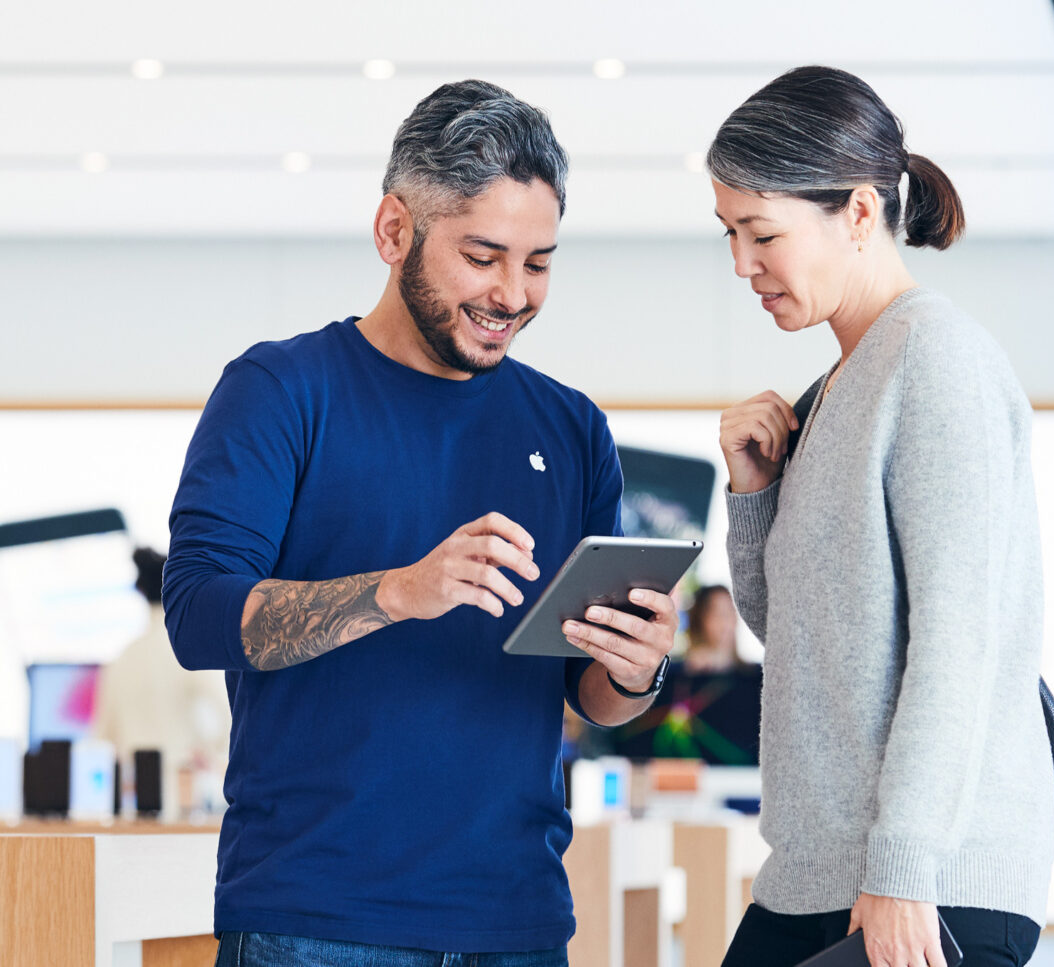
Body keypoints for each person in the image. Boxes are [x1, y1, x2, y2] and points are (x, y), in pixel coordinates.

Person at [164, 80, 676, 966]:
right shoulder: (281, 392)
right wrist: (399, 591)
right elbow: (200, 614)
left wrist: (635, 671)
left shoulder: (572, 428)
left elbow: (585, 694)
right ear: (394, 231)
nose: (512, 294)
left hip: (516, 919)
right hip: (314, 918)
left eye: (539, 261)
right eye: (484, 255)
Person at [708, 66, 1052, 967]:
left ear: (860, 213)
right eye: (730, 233)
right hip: (815, 877)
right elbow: (802, 639)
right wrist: (753, 497)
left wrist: (904, 869)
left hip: (924, 881)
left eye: (762, 232)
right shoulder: (831, 390)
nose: (742, 264)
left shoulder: (935, 359)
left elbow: (959, 640)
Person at [93, 548, 231, 784]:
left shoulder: (122, 659)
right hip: (184, 793)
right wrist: (208, 752)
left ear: (141, 591)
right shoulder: (189, 648)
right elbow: (230, 712)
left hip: (135, 797)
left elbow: (102, 738)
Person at [611, 585, 762, 765]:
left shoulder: (754, 679)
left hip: (738, 779)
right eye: (716, 613)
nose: (725, 622)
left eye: (730, 612)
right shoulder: (672, 676)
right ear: (700, 619)